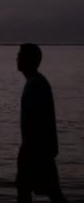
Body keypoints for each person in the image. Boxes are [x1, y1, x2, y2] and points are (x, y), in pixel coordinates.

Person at [16, 43, 67, 203]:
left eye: (20, 56)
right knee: (50, 193)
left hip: (36, 152)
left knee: (27, 193)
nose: (16, 59)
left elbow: (35, 123)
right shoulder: (37, 83)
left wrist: (26, 152)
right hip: (40, 151)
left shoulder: (36, 85)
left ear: (28, 60)